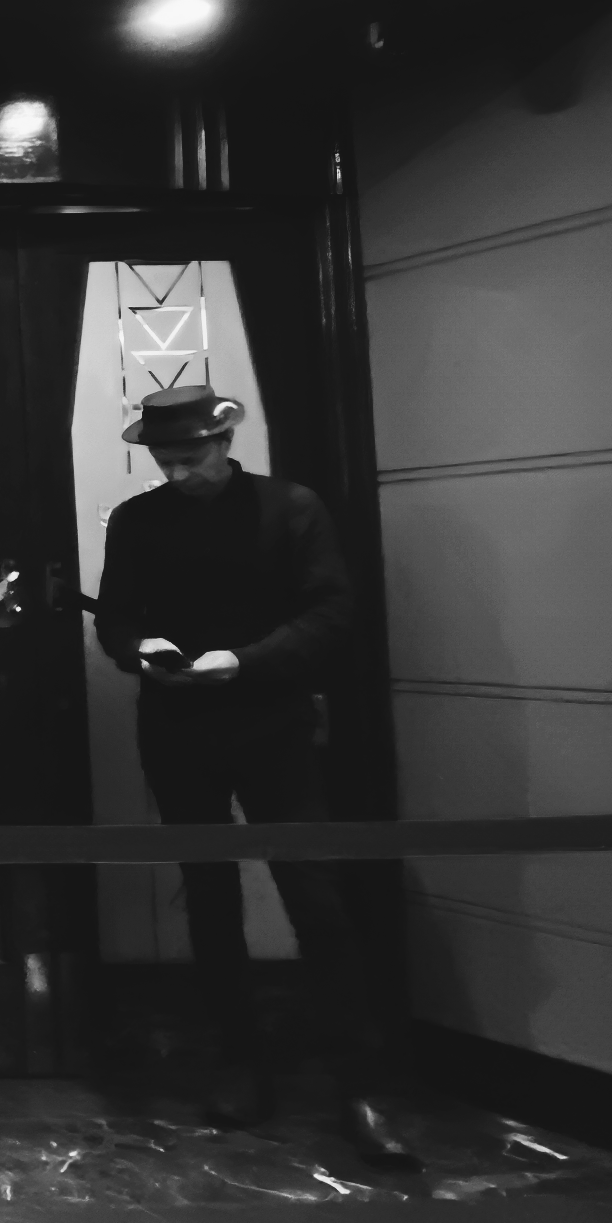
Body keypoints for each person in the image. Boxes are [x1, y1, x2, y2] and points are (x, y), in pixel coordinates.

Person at [92, 386, 418, 1173]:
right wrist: (141, 651)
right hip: (178, 722)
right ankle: (238, 1061)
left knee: (317, 895)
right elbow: (116, 617)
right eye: (166, 462)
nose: (180, 474)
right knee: (208, 897)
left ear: (224, 443)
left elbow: (331, 613)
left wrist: (245, 661)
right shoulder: (138, 519)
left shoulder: (289, 508)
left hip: (273, 719)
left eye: (191, 459)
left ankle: (359, 1080)